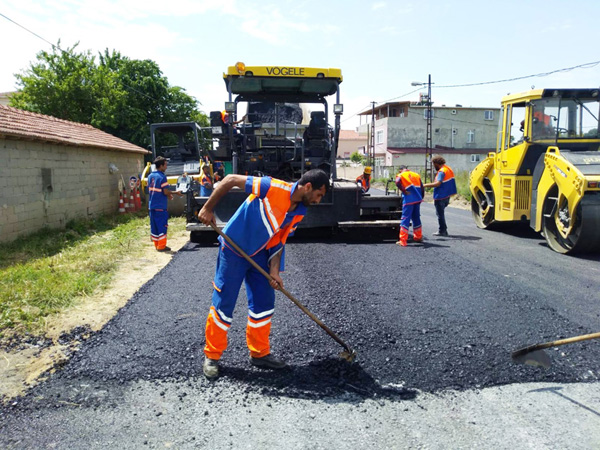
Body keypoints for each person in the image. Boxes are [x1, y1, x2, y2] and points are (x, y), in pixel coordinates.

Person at [197, 169, 330, 379]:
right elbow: (230, 180)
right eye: (319, 194)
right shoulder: (272, 187)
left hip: (260, 254)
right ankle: (212, 355)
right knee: (225, 303)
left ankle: (259, 353)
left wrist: (274, 271)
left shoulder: (300, 210)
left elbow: (279, 240)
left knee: (264, 303)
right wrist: (207, 208)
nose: (319, 200)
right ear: (308, 187)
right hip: (234, 249)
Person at [147, 156, 184, 252]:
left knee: (154, 226)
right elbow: (165, 191)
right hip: (160, 207)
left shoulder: (150, 176)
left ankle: (157, 245)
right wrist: (176, 193)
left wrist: (167, 195)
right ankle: (162, 246)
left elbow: (156, 191)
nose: (166, 167)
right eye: (165, 165)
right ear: (161, 166)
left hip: (152, 206)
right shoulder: (162, 177)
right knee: (162, 225)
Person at [423, 155, 457, 237]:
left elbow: (438, 184)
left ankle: (442, 231)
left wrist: (424, 185)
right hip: (447, 195)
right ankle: (443, 230)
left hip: (440, 196)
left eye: (433, 164)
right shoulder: (448, 169)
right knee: (441, 213)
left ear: (436, 163)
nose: (433, 166)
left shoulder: (442, 171)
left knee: (440, 214)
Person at [395, 165, 424, 247]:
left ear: (400, 170)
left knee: (405, 218)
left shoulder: (401, 175)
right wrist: (421, 197)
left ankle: (403, 240)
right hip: (417, 199)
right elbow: (422, 188)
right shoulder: (416, 175)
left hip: (408, 200)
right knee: (416, 217)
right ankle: (418, 237)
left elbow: (397, 182)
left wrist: (404, 191)